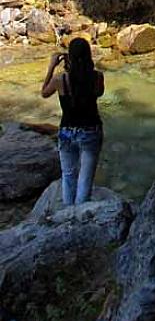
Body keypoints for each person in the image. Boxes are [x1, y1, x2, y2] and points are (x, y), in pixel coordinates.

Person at [40, 37, 105, 205]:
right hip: (91, 131)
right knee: (85, 178)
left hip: (67, 132)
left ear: (69, 56)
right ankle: (80, 212)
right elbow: (99, 93)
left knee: (68, 176)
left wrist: (52, 66)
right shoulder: (98, 77)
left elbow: (44, 93)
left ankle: (68, 213)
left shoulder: (60, 79)